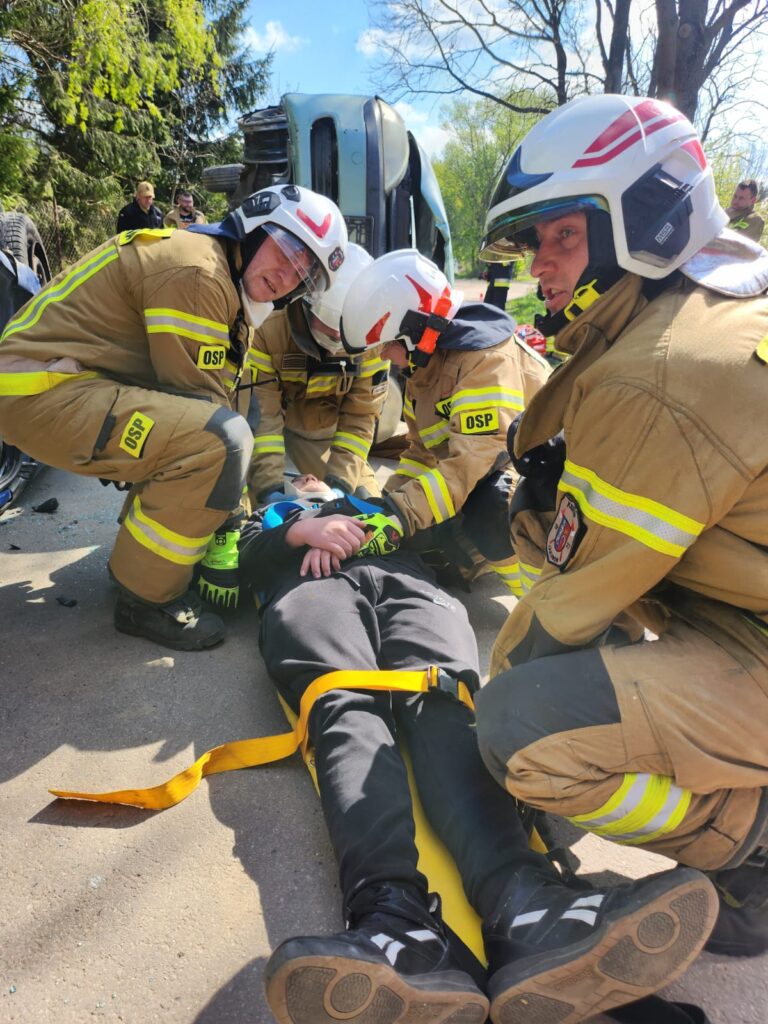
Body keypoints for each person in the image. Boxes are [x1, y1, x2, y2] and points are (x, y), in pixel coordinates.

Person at [236, 488, 718, 1024]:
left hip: (409, 584)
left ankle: (525, 903)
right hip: (310, 589)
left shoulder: (381, 501)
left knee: (447, 704)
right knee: (347, 710)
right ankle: (393, 920)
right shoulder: (273, 515)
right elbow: (237, 560)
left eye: (320, 479)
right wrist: (299, 531)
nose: (310, 478)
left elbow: (454, 526)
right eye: (299, 481)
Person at [474, 93, 768, 959]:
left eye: (564, 236)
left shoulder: (662, 374)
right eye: (536, 242)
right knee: (546, 512)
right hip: (745, 602)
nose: (540, 267)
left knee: (520, 730)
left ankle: (748, 842)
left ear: (645, 219)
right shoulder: (713, 292)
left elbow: (567, 606)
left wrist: (485, 735)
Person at [0, 185, 347, 650]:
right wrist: (233, 526)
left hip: (57, 383)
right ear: (254, 229)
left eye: (303, 274)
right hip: (42, 390)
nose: (287, 276)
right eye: (286, 250)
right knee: (217, 440)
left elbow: (212, 400)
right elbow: (204, 411)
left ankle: (141, 566)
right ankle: (146, 599)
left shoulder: (223, 277)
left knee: (205, 435)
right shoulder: (200, 274)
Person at [339, 249, 550, 594]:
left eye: (388, 343)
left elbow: (473, 462)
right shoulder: (424, 368)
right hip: (488, 470)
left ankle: (536, 600)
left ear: (416, 331)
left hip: (544, 482)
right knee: (429, 536)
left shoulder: (486, 360)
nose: (383, 353)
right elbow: (421, 455)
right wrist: (385, 504)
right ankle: (481, 557)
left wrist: (400, 514)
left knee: (490, 507)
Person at [245, 243, 390, 504]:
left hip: (322, 432)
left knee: (366, 504)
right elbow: (263, 418)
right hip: (268, 429)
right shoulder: (268, 328)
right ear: (306, 303)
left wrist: (340, 485)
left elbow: (360, 418)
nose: (334, 347)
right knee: (252, 505)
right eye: (327, 333)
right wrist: (269, 490)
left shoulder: (373, 341)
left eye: (343, 337)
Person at [725, 178, 765, 243]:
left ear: (753, 200)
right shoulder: (726, 211)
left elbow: (737, 244)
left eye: (741, 198)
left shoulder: (755, 219)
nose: (735, 201)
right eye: (735, 196)